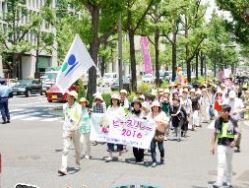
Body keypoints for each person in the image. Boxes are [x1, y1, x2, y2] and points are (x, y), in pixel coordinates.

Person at [211, 104, 240, 188]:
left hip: (230, 145)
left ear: (227, 112)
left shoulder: (233, 121)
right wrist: (212, 146)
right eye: (221, 111)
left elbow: (237, 132)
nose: (221, 113)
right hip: (221, 144)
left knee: (229, 164)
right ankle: (218, 182)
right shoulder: (218, 121)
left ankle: (228, 181)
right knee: (221, 163)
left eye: (223, 111)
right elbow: (215, 133)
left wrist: (234, 141)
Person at [58, 91, 82, 176]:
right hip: (66, 130)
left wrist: (74, 126)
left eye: (71, 97)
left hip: (75, 130)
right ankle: (63, 168)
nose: (68, 98)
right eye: (68, 96)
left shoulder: (78, 107)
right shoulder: (64, 106)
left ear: (74, 98)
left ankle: (78, 163)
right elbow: (64, 117)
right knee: (65, 149)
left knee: (77, 149)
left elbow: (79, 117)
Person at [104, 94, 125, 162]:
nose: (114, 101)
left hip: (118, 128)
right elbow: (106, 117)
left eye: (116, 100)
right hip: (111, 128)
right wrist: (105, 124)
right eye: (113, 99)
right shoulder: (109, 107)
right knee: (110, 141)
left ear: (118, 100)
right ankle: (110, 155)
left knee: (119, 142)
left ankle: (120, 155)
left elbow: (123, 118)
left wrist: (123, 126)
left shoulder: (121, 108)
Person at [149, 100, 169, 167]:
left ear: (159, 107)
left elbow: (166, 122)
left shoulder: (162, 113)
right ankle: (154, 160)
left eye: (156, 107)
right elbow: (146, 121)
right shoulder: (150, 114)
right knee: (152, 147)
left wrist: (160, 123)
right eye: (154, 107)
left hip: (159, 132)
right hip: (151, 133)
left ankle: (162, 157)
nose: (155, 108)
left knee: (161, 148)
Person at [130, 99, 146, 163]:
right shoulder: (130, 112)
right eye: (134, 105)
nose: (136, 106)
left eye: (137, 105)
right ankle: (137, 157)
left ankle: (141, 157)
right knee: (134, 145)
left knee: (141, 145)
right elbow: (125, 118)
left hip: (141, 131)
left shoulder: (143, 112)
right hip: (133, 131)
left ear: (139, 106)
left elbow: (146, 120)